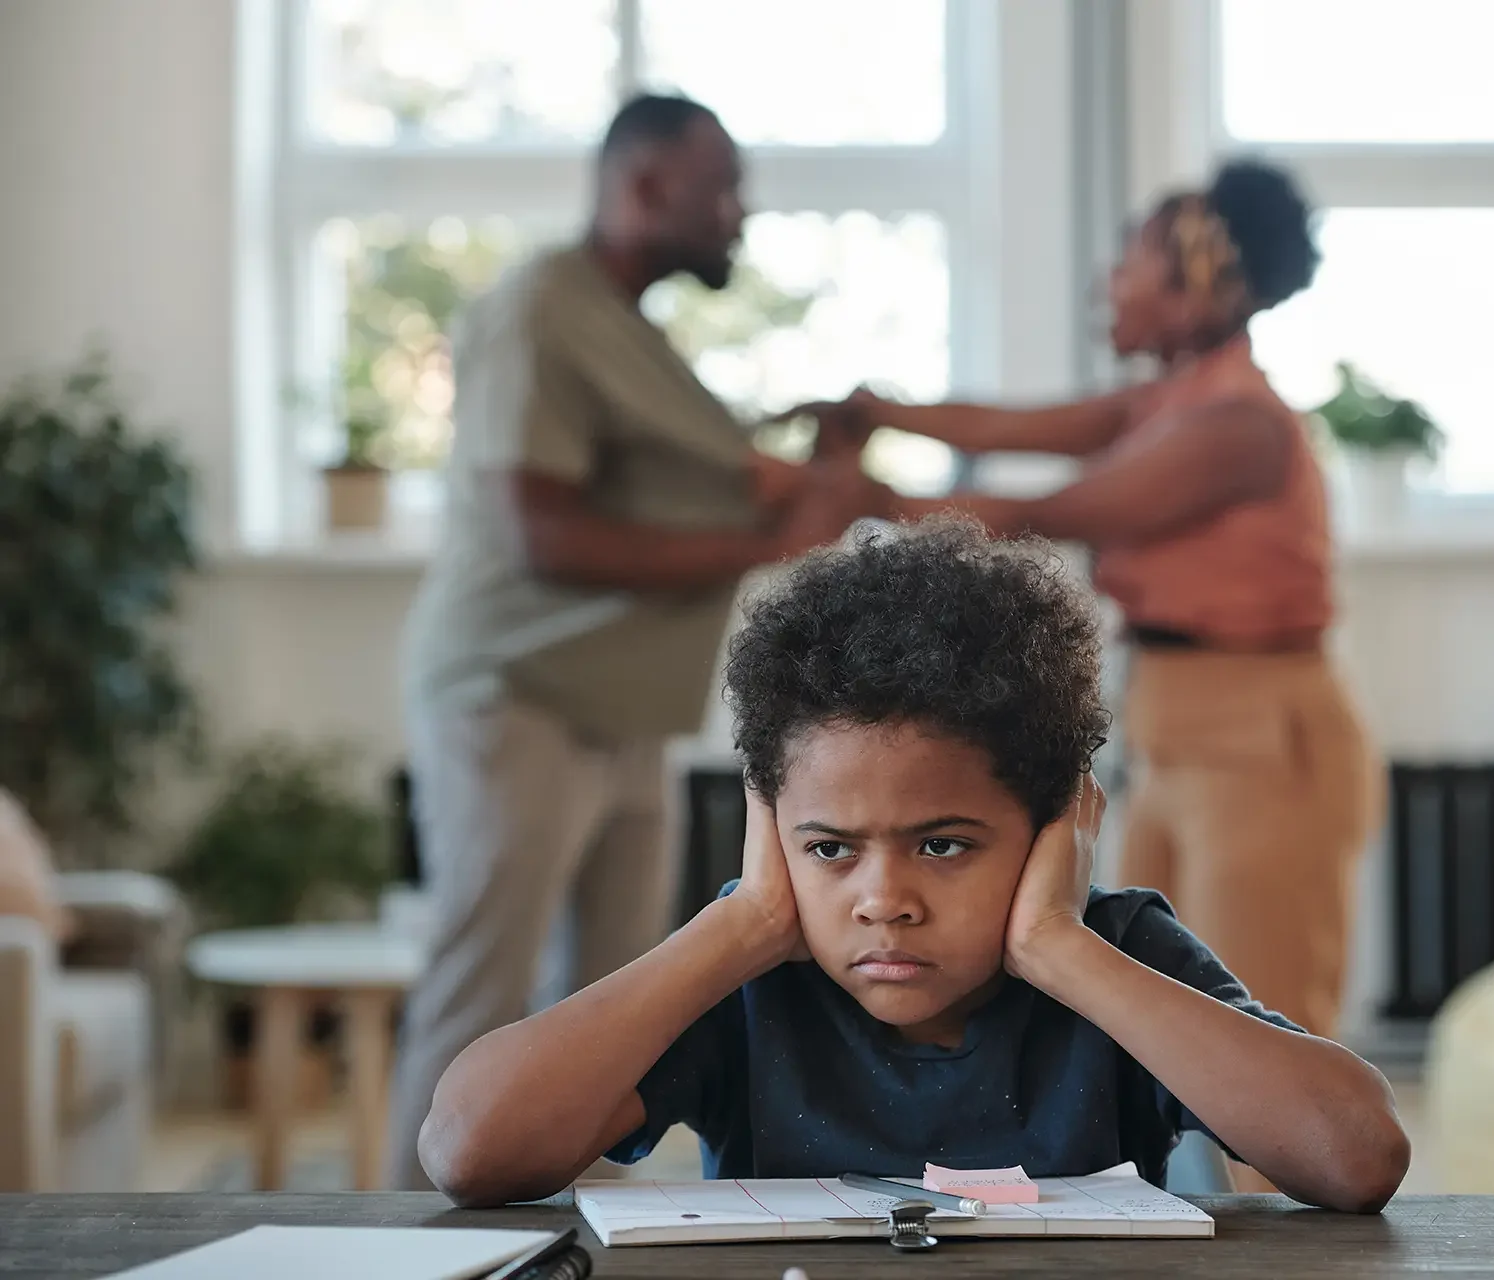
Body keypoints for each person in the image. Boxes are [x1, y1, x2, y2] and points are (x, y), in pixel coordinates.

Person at [416, 519, 1409, 1212]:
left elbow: (1357, 1155)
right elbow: (468, 1147)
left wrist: (1059, 947)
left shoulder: (1117, 949)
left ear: (1054, 818)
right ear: (772, 827)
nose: (882, 900)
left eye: (943, 844)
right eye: (829, 847)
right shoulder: (752, 973)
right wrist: (747, 921)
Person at [386, 93, 879, 1189]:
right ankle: (404, 1249)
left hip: (626, 713)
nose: (740, 214)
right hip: (518, 696)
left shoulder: (630, 330)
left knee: (617, 1017)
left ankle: (578, 1246)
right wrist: (772, 539)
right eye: (723, 189)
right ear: (646, 185)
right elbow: (541, 528)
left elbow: (685, 485)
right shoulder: (538, 309)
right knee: (481, 995)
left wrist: (809, 474)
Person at [808, 162, 1378, 1048]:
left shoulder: (1240, 424)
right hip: (1180, 731)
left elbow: (1055, 512)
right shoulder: (1167, 400)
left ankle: (1274, 1189)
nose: (1108, 281)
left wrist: (856, 499)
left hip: (1263, 743)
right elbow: (1010, 428)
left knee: (1264, 1030)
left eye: (1132, 258)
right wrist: (880, 412)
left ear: (1200, 284)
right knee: (1151, 1018)